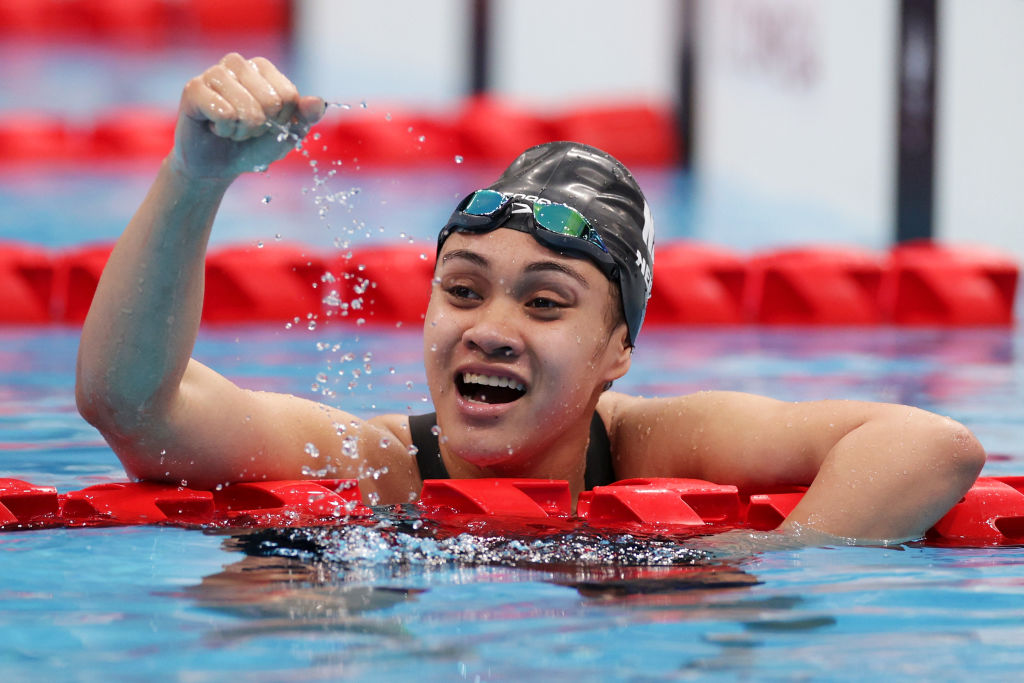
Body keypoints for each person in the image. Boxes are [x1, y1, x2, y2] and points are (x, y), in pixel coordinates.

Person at [75, 53, 986, 543]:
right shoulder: (373, 465)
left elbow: (931, 444)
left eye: (546, 304)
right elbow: (131, 405)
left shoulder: (649, 443)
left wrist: (769, 562)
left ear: (616, 351)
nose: (491, 331)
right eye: (461, 291)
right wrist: (194, 179)